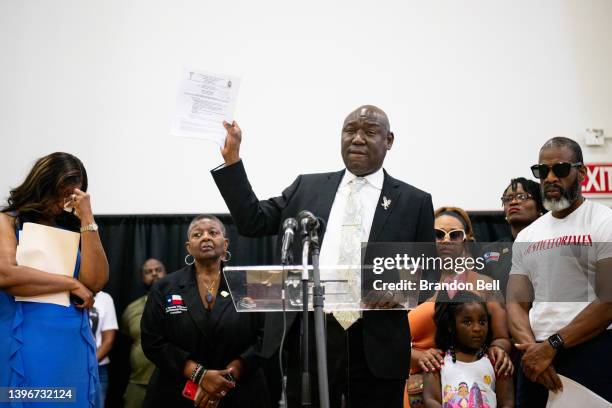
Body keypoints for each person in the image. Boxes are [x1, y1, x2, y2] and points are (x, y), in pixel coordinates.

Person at [212, 105, 435, 407]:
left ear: (389, 140)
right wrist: (233, 162)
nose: (357, 139)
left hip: (376, 340)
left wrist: (401, 289)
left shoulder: (414, 201)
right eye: (349, 131)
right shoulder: (308, 186)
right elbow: (253, 221)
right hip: (312, 334)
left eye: (369, 132)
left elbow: (430, 273)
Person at [507, 137, 612, 406]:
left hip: (590, 350)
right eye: (542, 171)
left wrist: (552, 345)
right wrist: (533, 350)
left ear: (582, 173)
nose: (551, 177)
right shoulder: (528, 235)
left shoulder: (604, 222)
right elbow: (516, 303)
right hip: (534, 357)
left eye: (561, 170)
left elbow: (608, 300)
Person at [0, 151, 109, 407]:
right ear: (42, 185)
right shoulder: (7, 221)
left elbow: (95, 283)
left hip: (71, 343)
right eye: (60, 192)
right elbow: (6, 274)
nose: (62, 203)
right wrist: (70, 283)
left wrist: (87, 218)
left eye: (70, 195)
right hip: (25, 339)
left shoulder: (72, 228)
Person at [141, 215, 269, 408]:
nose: (205, 237)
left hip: (239, 391)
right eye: (197, 234)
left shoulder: (249, 284)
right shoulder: (165, 287)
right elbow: (152, 341)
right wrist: (199, 375)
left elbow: (266, 337)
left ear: (225, 244)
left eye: (213, 232)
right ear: (188, 247)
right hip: (177, 392)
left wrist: (229, 376)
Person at [405, 207, 512, 408]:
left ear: (466, 240)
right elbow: (392, 344)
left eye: (454, 235)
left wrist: (497, 352)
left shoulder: (485, 285)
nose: (445, 240)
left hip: (470, 387)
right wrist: (422, 356)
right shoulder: (411, 284)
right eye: (438, 234)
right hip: (418, 390)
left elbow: (501, 338)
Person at [422, 291, 514, 408]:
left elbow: (507, 403)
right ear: (451, 326)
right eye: (467, 322)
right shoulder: (437, 361)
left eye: (482, 321)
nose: (477, 328)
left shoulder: (497, 361)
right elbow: (431, 400)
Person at [480, 178, 545, 297]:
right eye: (508, 199)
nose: (513, 202)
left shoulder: (552, 245)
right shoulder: (489, 252)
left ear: (539, 206)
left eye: (522, 197)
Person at [121, 258, 167, 408]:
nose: (154, 274)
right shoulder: (131, 309)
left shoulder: (180, 304)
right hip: (138, 383)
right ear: (142, 278)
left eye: (158, 270)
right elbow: (128, 337)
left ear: (166, 273)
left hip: (172, 382)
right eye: (148, 271)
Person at [90, 290, 118, 408]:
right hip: (68, 369)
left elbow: (108, 341)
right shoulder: (66, 294)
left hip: (98, 368)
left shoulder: (104, 298)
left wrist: (88, 365)